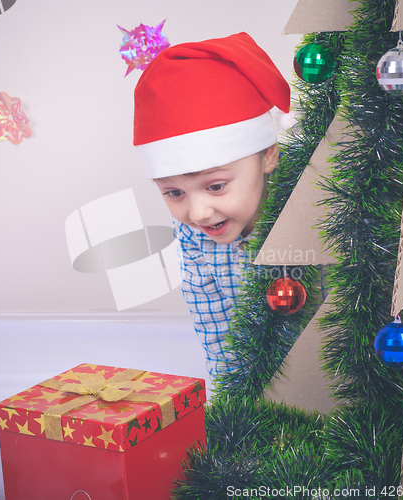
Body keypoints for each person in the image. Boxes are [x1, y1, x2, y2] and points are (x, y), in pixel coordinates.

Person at [133, 32, 290, 377]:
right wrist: (228, 394)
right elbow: (213, 321)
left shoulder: (300, 213)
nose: (198, 212)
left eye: (216, 186)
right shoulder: (192, 235)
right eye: (175, 193)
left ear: (268, 156)